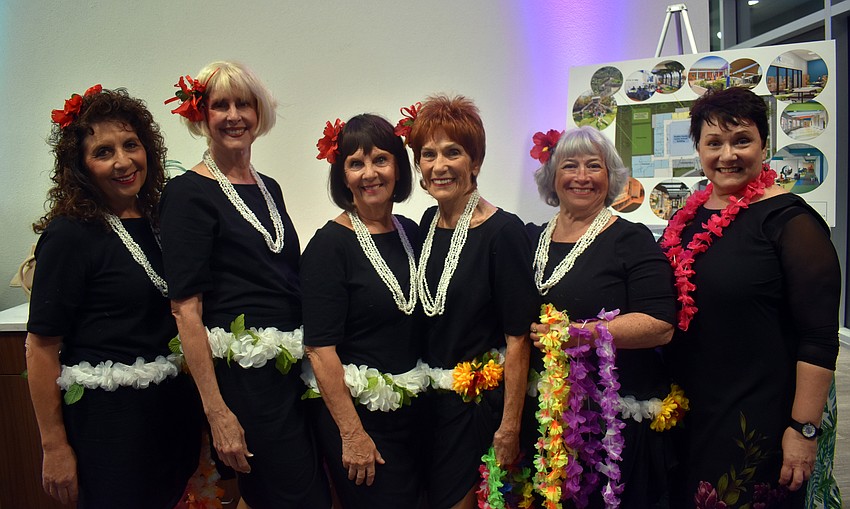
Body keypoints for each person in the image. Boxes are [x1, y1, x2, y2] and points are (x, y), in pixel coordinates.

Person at [160, 61, 329, 508]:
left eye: (244, 104)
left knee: (278, 493)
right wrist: (218, 413)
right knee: (296, 496)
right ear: (202, 115)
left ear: (259, 114)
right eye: (221, 105)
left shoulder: (268, 186)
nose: (234, 115)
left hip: (288, 370)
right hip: (244, 379)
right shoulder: (187, 193)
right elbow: (185, 311)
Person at [660, 86, 840, 507]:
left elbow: (818, 338)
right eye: (713, 143)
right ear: (699, 149)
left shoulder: (791, 223)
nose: (728, 155)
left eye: (742, 140)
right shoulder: (686, 219)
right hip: (689, 409)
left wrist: (803, 429)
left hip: (755, 417)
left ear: (764, 145)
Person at [26, 86, 201, 508]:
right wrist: (54, 447)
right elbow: (41, 348)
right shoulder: (71, 234)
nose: (123, 162)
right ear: (80, 166)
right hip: (109, 427)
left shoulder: (162, 219)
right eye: (103, 152)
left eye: (131, 145)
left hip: (170, 414)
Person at [527, 126, 678, 507]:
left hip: (615, 428)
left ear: (609, 177)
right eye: (570, 166)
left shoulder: (631, 238)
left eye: (593, 166)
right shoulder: (530, 239)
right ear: (552, 176)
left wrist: (578, 333)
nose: (581, 177)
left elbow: (660, 325)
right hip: (549, 424)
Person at [405, 95, 538, 509]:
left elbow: (519, 339)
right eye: (428, 155)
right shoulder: (426, 224)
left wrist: (509, 426)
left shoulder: (503, 232)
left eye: (453, 152)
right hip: (431, 402)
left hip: (477, 407)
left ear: (475, 162)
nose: (439, 165)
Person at [301, 113, 425, 507]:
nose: (369, 173)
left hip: (413, 414)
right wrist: (352, 434)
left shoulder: (412, 231)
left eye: (380, 160)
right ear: (343, 175)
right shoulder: (329, 246)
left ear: (398, 168)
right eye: (356, 163)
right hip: (359, 420)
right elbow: (320, 350)